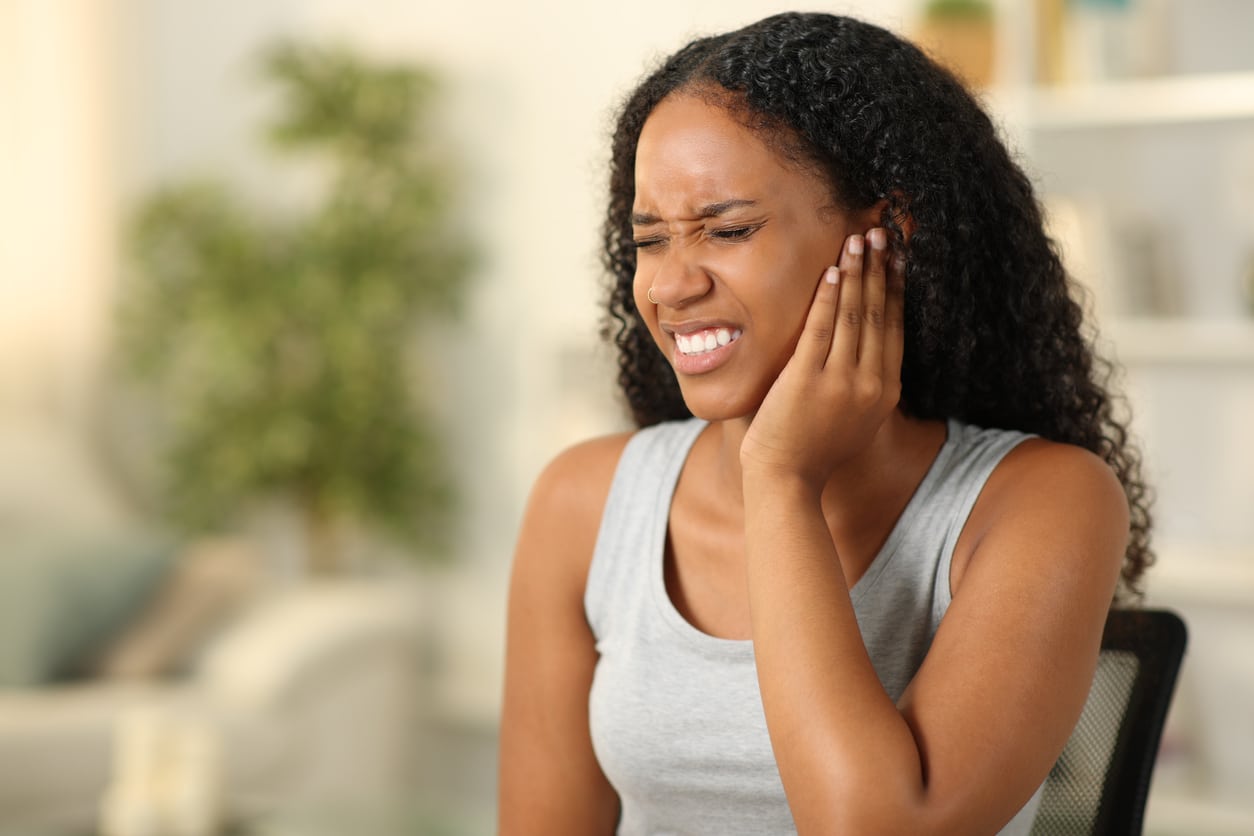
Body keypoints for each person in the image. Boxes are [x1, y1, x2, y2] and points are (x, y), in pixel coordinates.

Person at [498, 11, 1151, 835]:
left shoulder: (1041, 503)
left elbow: (878, 826)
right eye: (650, 240)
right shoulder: (584, 503)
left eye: (728, 229)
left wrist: (780, 480)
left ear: (890, 234)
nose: (668, 286)